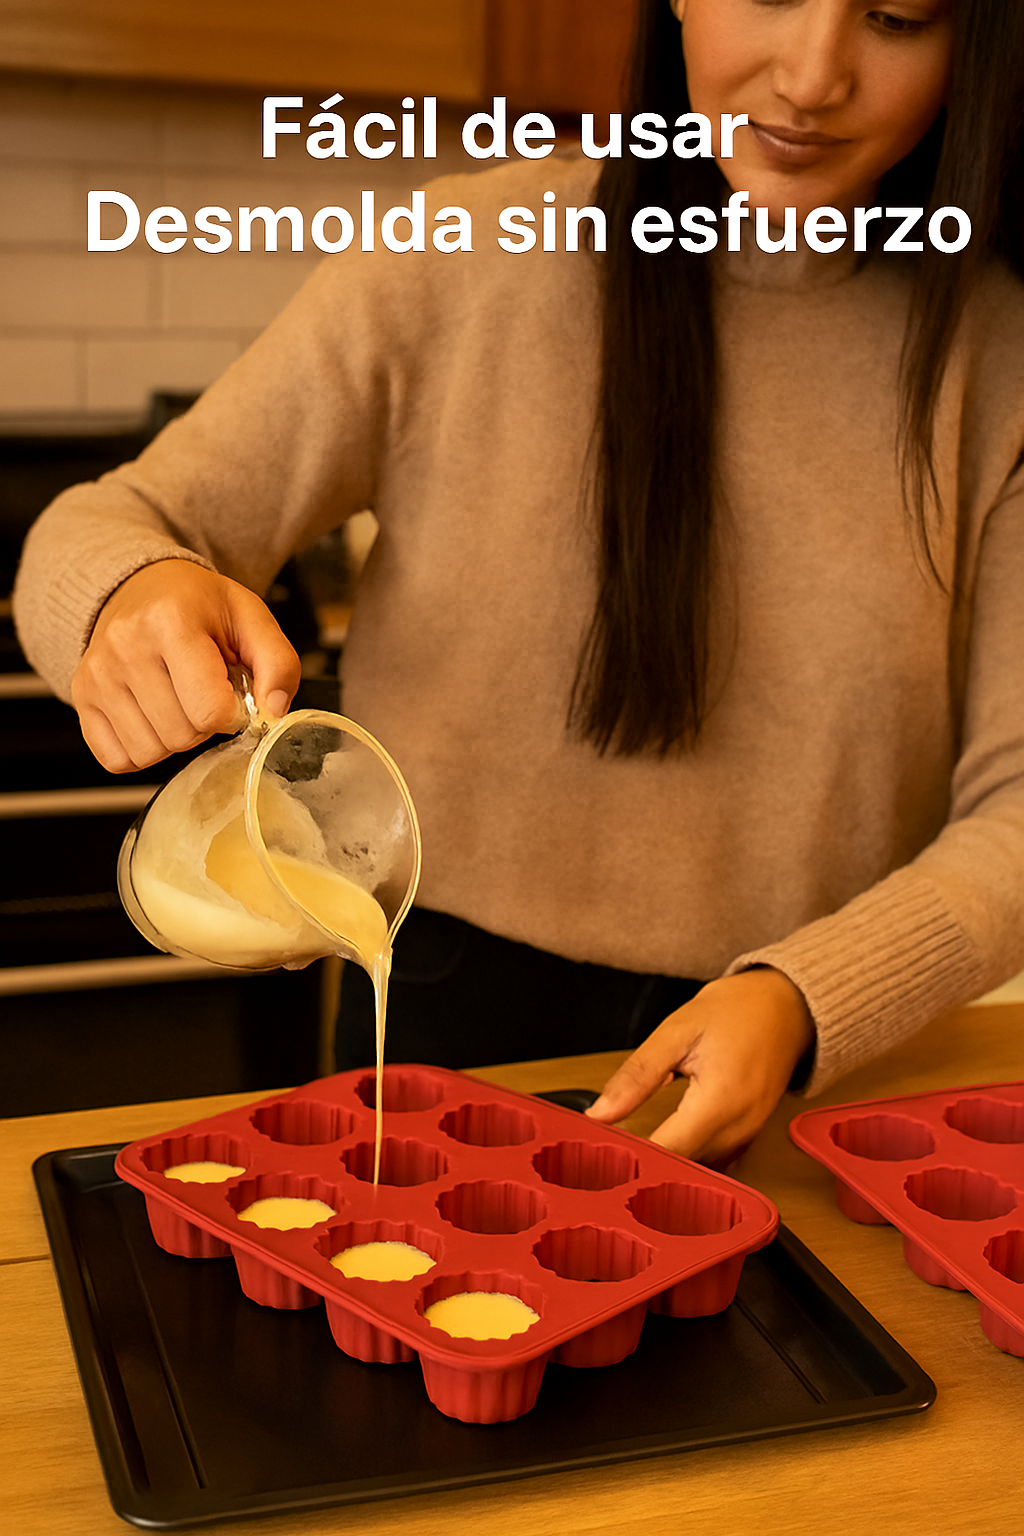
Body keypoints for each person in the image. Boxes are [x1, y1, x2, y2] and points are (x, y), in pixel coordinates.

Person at [14, 0, 1024, 1166]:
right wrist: (129, 593)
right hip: (440, 1008)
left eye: (896, 16)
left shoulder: (993, 354)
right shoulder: (459, 256)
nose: (811, 76)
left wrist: (806, 997)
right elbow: (103, 526)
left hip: (808, 1055)